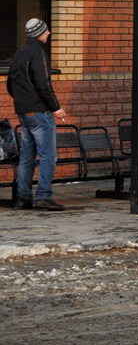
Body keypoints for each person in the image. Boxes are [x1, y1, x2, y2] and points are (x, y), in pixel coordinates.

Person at [6, 18, 67, 210]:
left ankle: (23, 197)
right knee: (48, 155)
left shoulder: (19, 53)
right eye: (46, 30)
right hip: (40, 113)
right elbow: (44, 84)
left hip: (23, 112)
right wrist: (56, 108)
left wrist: (22, 101)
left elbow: (10, 83)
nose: (49, 33)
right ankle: (43, 196)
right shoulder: (38, 52)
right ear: (40, 33)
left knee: (27, 156)